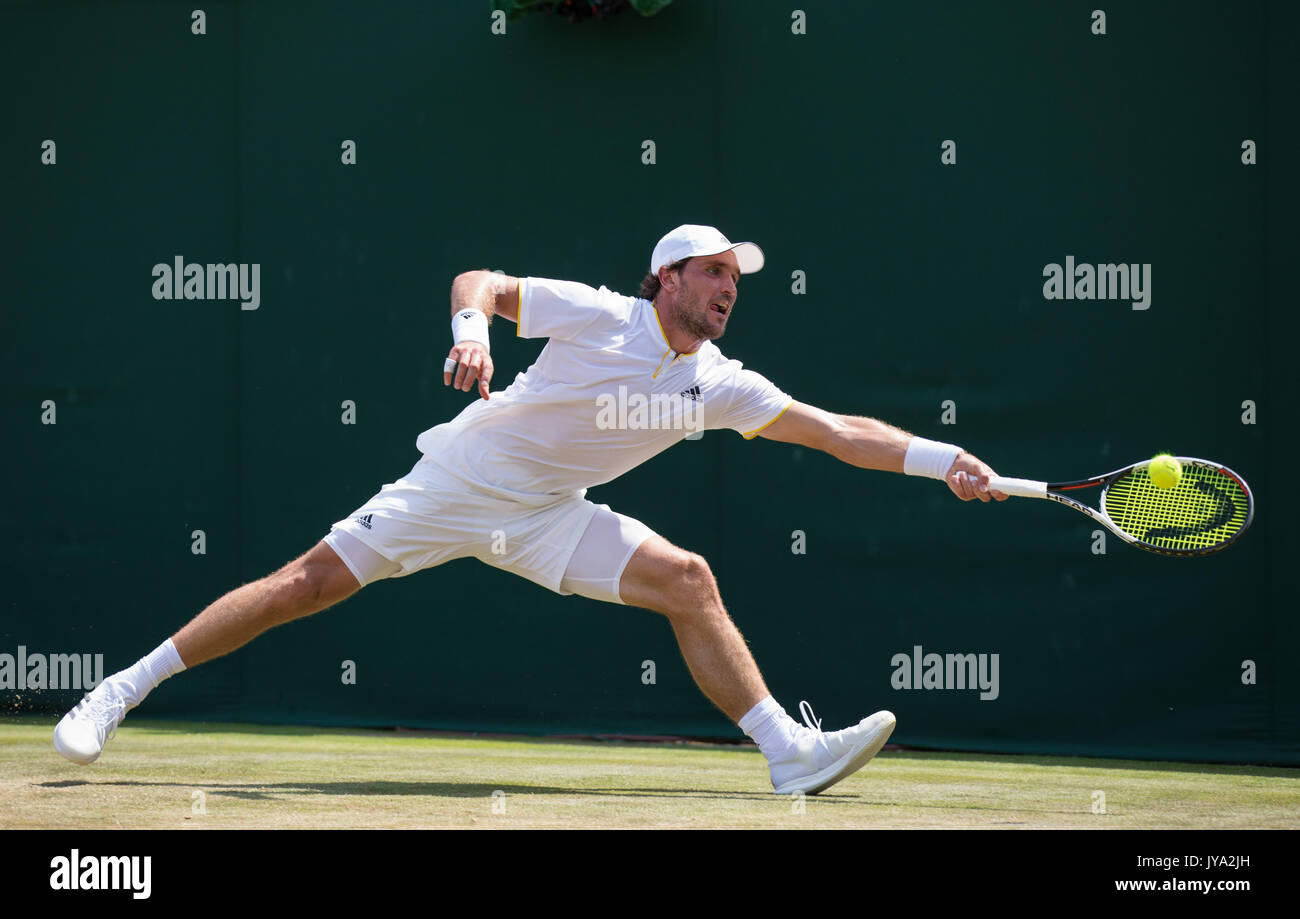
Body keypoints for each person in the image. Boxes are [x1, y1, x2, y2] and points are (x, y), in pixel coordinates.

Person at [53, 224, 1006, 795]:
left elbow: (838, 429)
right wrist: (472, 331)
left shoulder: (720, 384)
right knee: (304, 585)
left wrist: (941, 459)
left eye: (737, 280)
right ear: (665, 279)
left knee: (688, 579)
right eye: (713, 272)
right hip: (455, 485)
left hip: (548, 512)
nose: (728, 290)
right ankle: (119, 690)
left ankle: (786, 752)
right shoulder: (603, 313)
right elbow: (484, 282)